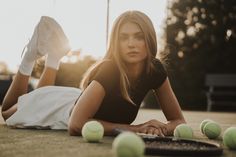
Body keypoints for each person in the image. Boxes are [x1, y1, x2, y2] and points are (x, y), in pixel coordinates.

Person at [1, 11, 185, 136]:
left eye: (138, 36)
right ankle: (29, 57)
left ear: (149, 39)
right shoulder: (109, 69)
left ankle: (54, 57)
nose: (131, 43)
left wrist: (160, 129)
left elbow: (178, 121)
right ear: (115, 42)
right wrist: (136, 128)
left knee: (38, 96)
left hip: (78, 100)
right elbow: (76, 124)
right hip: (62, 111)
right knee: (7, 113)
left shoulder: (155, 70)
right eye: (123, 37)